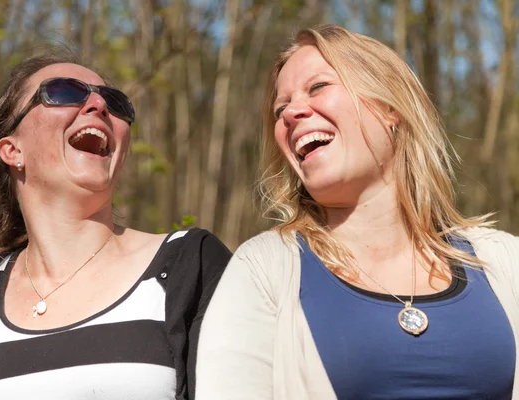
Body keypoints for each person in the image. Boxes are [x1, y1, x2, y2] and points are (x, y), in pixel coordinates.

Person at [196, 24, 519, 400]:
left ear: (390, 107)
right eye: (280, 108)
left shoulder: (504, 262)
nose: (291, 113)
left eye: (318, 87)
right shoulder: (265, 269)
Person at [0, 52, 231, 400]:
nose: (98, 104)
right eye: (64, 92)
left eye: (115, 102)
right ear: (12, 149)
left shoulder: (192, 266)